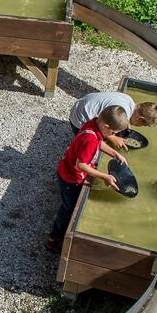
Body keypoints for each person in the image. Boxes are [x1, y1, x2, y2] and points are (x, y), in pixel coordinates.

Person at [47, 106, 129, 253]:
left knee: (69, 206)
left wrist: (114, 153)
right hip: (70, 178)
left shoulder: (93, 123)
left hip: (67, 168)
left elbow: (100, 142)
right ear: (106, 126)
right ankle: (53, 239)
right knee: (69, 210)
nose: (112, 135)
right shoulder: (91, 139)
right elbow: (81, 165)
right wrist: (105, 176)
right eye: (112, 133)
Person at [69, 91, 157, 148]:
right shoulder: (124, 110)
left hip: (81, 104)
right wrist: (113, 138)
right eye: (142, 125)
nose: (139, 126)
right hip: (79, 118)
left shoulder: (129, 101)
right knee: (92, 144)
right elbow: (103, 126)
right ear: (141, 119)